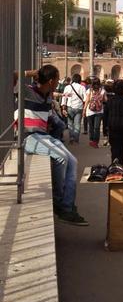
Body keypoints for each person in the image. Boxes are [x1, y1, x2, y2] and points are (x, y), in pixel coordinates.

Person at [17, 64, 88, 225]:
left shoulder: (48, 95)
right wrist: (31, 72)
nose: (58, 82)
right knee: (61, 157)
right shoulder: (27, 90)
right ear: (50, 81)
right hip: (29, 137)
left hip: (43, 136)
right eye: (56, 79)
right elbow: (11, 76)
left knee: (73, 161)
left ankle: (67, 208)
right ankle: (58, 203)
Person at [61, 73, 86, 144]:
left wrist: (63, 108)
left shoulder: (67, 87)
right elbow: (85, 99)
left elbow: (64, 98)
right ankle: (76, 139)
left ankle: (71, 138)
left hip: (70, 107)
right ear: (80, 80)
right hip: (79, 107)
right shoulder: (82, 87)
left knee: (70, 124)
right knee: (77, 124)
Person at [83, 77, 106, 148]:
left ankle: (92, 140)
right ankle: (95, 141)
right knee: (97, 127)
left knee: (92, 127)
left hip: (90, 111)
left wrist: (84, 110)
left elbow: (86, 101)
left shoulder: (89, 90)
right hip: (99, 111)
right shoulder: (102, 91)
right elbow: (105, 100)